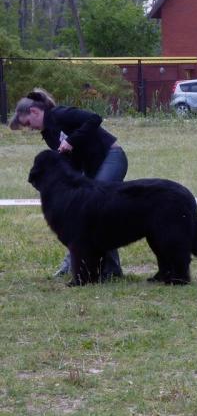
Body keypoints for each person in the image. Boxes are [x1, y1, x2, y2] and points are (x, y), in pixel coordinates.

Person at [9, 88, 128, 280]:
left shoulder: (60, 114)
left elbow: (95, 118)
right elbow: (68, 162)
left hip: (111, 157)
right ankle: (77, 263)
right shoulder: (48, 134)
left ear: (34, 111)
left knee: (97, 208)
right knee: (83, 213)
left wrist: (72, 140)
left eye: (29, 124)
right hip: (90, 169)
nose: (31, 128)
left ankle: (111, 270)